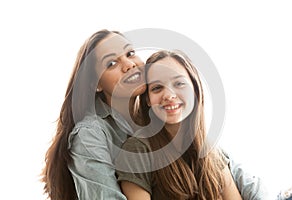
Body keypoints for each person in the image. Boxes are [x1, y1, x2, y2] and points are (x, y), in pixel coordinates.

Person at [116, 50, 266, 200]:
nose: (169, 95)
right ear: (148, 99)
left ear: (195, 89)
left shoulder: (211, 151)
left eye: (179, 83)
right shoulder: (137, 150)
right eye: (157, 88)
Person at [41, 29, 146, 200]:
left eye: (130, 53)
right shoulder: (89, 134)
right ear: (96, 84)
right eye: (111, 63)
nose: (129, 64)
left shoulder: (155, 118)